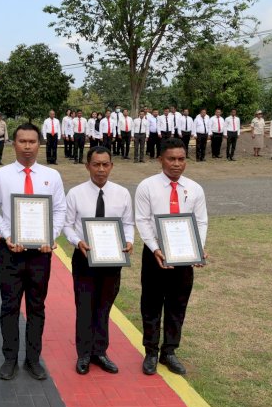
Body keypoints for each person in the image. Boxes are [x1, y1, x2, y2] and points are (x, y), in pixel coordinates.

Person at [0, 123, 66, 381]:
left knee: (36, 306)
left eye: (33, 142)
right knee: (9, 306)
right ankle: (10, 359)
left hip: (40, 253)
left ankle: (33, 359)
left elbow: (59, 210)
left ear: (39, 144)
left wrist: (50, 237)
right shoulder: (1, 175)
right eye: (23, 142)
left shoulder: (51, 176)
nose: (28, 147)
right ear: (14, 144)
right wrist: (7, 235)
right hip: (10, 250)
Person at [135, 138, 208, 376]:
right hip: (155, 255)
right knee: (152, 304)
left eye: (181, 159)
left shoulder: (195, 188)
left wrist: (198, 247)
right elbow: (143, 220)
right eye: (171, 159)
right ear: (161, 160)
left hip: (184, 254)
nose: (176, 164)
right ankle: (151, 352)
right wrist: (155, 248)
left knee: (178, 305)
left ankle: (170, 352)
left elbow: (201, 221)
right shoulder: (147, 186)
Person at [63, 146, 134, 375]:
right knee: (85, 306)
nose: (101, 169)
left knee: (104, 307)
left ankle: (100, 352)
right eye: (96, 164)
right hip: (84, 257)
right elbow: (67, 224)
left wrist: (130, 241)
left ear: (111, 166)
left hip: (112, 258)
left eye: (105, 164)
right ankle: (84, 354)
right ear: (87, 166)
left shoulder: (122, 193)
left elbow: (128, 223)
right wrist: (77, 241)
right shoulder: (75, 193)